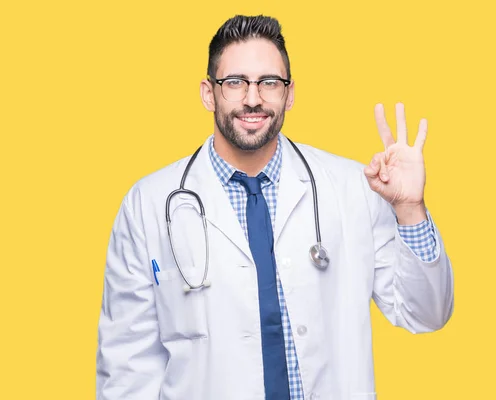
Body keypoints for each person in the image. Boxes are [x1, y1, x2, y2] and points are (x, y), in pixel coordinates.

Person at [95, 14, 454, 400]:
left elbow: (426, 314)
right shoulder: (148, 204)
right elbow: (128, 368)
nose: (253, 98)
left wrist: (410, 208)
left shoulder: (355, 188)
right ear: (207, 92)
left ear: (290, 93)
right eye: (234, 82)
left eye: (269, 82)